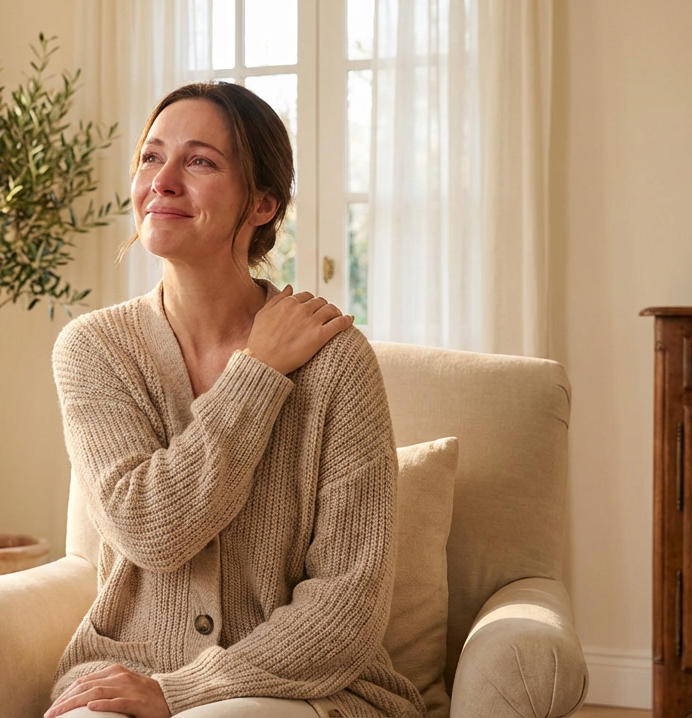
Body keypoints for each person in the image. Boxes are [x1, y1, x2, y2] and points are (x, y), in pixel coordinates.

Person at [42, 82, 424, 718]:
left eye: (199, 161)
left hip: (303, 686)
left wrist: (183, 692)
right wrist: (259, 371)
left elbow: (347, 604)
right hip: (127, 672)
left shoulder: (335, 359)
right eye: (149, 157)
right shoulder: (92, 349)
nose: (161, 181)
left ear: (262, 204)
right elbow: (150, 530)